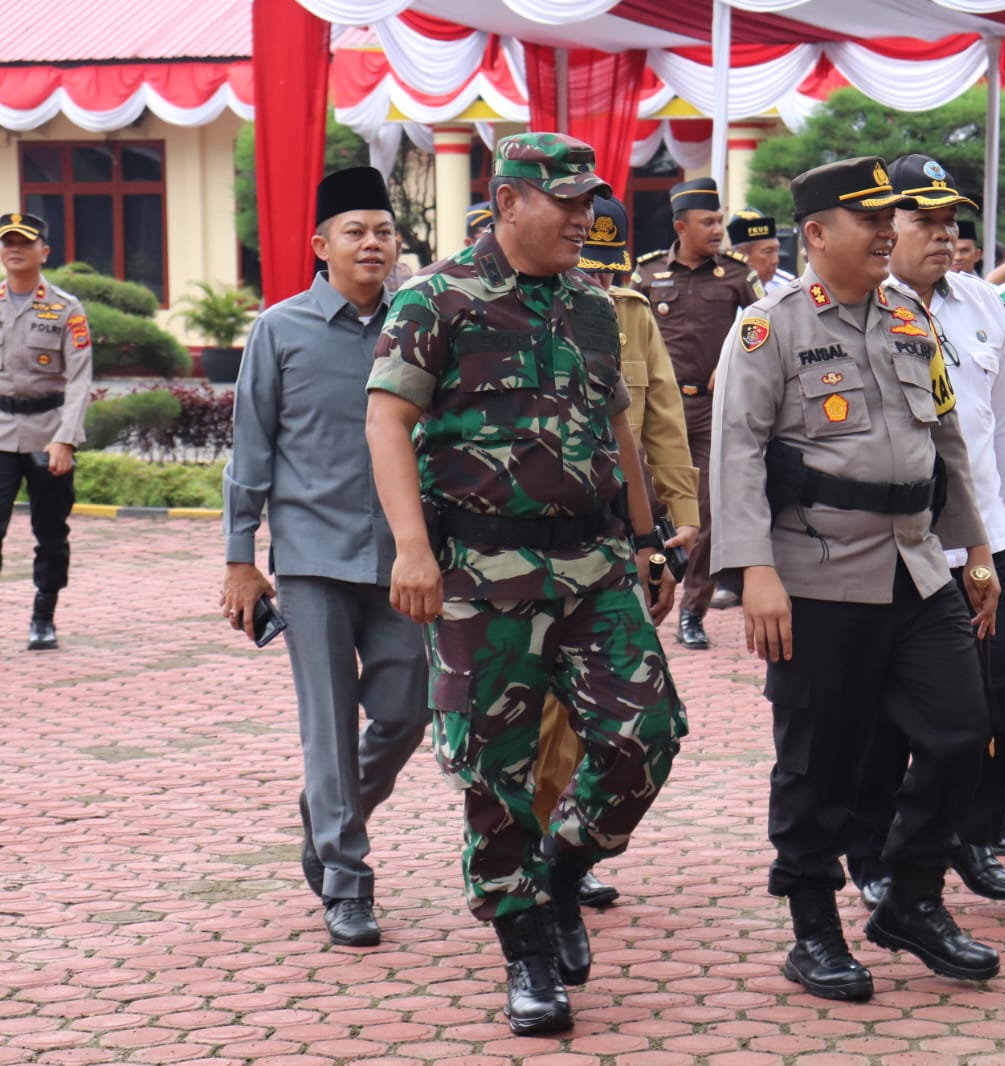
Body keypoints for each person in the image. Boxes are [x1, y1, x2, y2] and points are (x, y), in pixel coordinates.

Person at [365, 133, 686, 1036]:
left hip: (593, 569)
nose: (588, 220)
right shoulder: (439, 299)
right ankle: (528, 953)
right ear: (508, 203)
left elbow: (617, 429)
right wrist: (411, 549)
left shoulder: (591, 305)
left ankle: (559, 871)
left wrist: (649, 538)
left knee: (644, 739)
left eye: (592, 205)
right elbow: (387, 421)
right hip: (478, 577)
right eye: (569, 204)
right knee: (494, 773)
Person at [712, 155, 1003, 1001]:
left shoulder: (911, 318)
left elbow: (945, 441)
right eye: (868, 221)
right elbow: (733, 452)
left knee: (960, 733)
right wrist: (753, 570)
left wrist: (975, 548)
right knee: (819, 762)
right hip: (817, 573)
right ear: (815, 234)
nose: (886, 234)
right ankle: (813, 929)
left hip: (918, 567)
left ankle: (912, 898)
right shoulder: (770, 330)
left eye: (890, 221)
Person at [221, 168, 428, 948]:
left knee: (407, 712)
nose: (372, 243)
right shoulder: (282, 328)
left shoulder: (419, 322)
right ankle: (346, 879)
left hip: (404, 556)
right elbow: (251, 445)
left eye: (383, 230)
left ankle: (326, 811)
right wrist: (241, 557)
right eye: (355, 230)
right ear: (320, 245)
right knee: (330, 723)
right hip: (310, 558)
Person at [846, 154, 1005, 906]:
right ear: (883, 225)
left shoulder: (980, 304)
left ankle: (974, 832)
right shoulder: (864, 304)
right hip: (903, 541)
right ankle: (874, 851)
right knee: (893, 709)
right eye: (921, 220)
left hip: (986, 533)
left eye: (949, 221)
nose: (942, 235)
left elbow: (1004, 426)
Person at [530, 194, 700, 910]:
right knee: (535, 716)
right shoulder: (503, 306)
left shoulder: (628, 314)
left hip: (614, 542)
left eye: (607, 269)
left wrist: (681, 518)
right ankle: (535, 847)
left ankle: (568, 842)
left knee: (607, 719)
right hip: (524, 552)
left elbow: (661, 416)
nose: (593, 282)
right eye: (587, 267)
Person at [629, 178, 763, 651]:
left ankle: (692, 610)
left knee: (703, 515)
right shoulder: (645, 276)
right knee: (648, 511)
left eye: (719, 220)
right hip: (654, 415)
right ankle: (649, 593)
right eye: (707, 222)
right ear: (680, 226)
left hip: (711, 412)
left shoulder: (737, 276)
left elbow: (762, 330)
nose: (717, 230)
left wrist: (732, 361)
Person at [0, 212, 91, 651]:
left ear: (44, 252)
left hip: (48, 434)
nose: (14, 249)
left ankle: (43, 615)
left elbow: (79, 379)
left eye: (24, 242)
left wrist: (66, 439)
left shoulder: (65, 309)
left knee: (50, 531)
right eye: (7, 242)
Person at [728, 208, 787, 288]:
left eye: (776, 251)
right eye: (768, 252)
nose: (775, 260)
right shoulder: (723, 289)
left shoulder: (784, 287)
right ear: (740, 256)